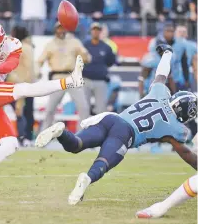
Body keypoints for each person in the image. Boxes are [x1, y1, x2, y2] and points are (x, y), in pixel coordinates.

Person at [35, 44, 197, 205]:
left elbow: (161, 73)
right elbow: (186, 154)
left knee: (76, 144)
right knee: (103, 162)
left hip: (111, 119)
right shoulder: (175, 129)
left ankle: (61, 132)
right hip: (125, 133)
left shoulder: (159, 92)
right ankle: (87, 178)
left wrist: (167, 53)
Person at [0, 21, 85, 194]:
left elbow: (12, 64)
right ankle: (70, 81)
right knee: (23, 89)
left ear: (2, 42)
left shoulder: (13, 44)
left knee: (11, 144)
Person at [39, 22, 92, 131]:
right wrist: (37, 71)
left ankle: (83, 135)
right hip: (57, 77)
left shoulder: (74, 42)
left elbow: (87, 58)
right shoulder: (50, 44)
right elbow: (40, 60)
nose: (61, 31)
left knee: (83, 107)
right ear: (55, 30)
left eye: (63, 28)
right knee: (50, 109)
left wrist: (84, 53)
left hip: (73, 77)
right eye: (59, 28)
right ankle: (44, 134)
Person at [7, 26, 36, 145]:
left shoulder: (19, 47)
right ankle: (27, 136)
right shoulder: (29, 47)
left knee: (19, 112)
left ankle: (22, 136)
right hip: (29, 84)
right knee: (27, 111)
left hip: (18, 84)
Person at [82, 22, 116, 114]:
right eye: (94, 30)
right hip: (86, 80)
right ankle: (82, 128)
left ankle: (101, 128)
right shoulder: (84, 45)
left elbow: (111, 62)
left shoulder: (106, 47)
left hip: (100, 81)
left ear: (100, 32)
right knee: (84, 108)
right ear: (91, 31)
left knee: (101, 109)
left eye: (98, 30)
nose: (95, 32)